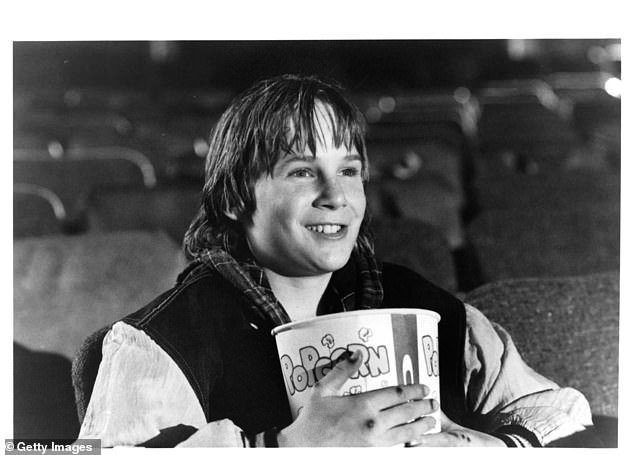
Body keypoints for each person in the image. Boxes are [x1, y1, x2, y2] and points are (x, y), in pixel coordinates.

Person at [76, 74, 592, 447]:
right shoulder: (163, 341)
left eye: (348, 170)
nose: (335, 195)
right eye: (302, 172)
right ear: (235, 198)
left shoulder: (422, 304)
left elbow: (556, 408)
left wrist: (492, 445)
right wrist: (282, 446)